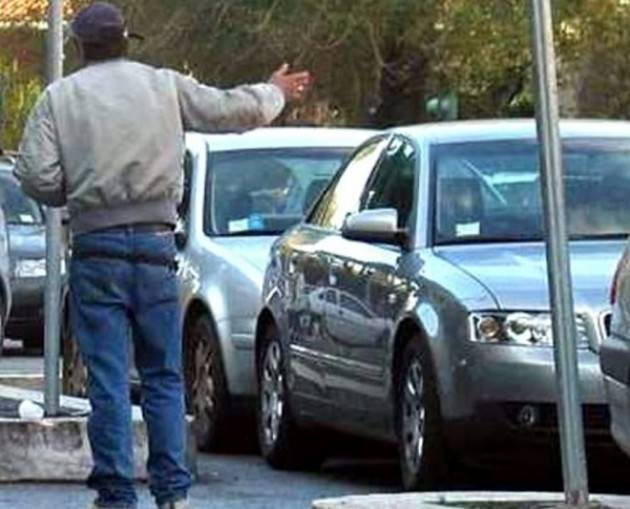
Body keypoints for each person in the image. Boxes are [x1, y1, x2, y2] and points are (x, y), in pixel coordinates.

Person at [14, 2, 311, 509]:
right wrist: (274, 93)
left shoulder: (59, 98)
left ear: (81, 46)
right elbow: (228, 111)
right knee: (163, 376)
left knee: (107, 377)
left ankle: (114, 494)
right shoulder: (165, 85)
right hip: (154, 245)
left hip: (95, 249)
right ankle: (172, 492)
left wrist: (75, 192)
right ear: (127, 40)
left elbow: (34, 175)